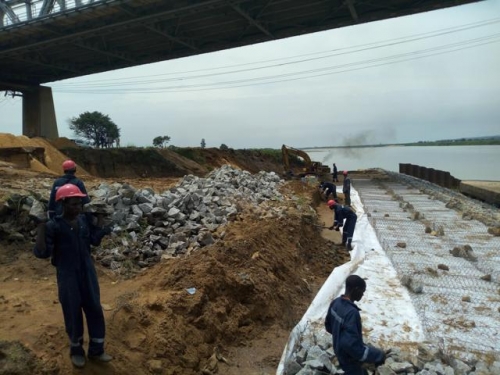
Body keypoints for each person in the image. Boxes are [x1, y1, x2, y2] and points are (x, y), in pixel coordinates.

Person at [34, 184, 113, 368]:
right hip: (67, 275)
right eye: (73, 204)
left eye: (79, 203)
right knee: (72, 311)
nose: (78, 207)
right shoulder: (54, 226)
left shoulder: (84, 220)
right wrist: (41, 228)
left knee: (94, 307)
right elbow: (42, 253)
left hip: (87, 272)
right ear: (62, 204)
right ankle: (76, 350)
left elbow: (94, 241)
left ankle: (97, 350)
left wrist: (100, 221)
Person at [325, 275, 386, 375]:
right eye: (362, 291)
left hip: (338, 351)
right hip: (348, 360)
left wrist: (339, 337)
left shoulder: (335, 303)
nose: (362, 295)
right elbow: (352, 347)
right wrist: (378, 355)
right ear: (356, 289)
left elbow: (328, 326)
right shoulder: (352, 313)